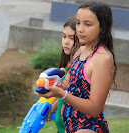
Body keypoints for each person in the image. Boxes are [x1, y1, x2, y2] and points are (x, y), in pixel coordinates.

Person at [39, 1, 117, 133]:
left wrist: (62, 95)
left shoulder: (103, 59)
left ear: (103, 27)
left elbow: (94, 109)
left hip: (88, 129)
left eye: (88, 24)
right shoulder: (80, 51)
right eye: (78, 23)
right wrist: (50, 87)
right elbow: (69, 88)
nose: (80, 29)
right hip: (69, 128)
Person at [47, 16, 79, 133]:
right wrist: (54, 106)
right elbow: (65, 97)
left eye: (71, 38)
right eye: (64, 36)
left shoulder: (81, 69)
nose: (66, 41)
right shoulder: (66, 66)